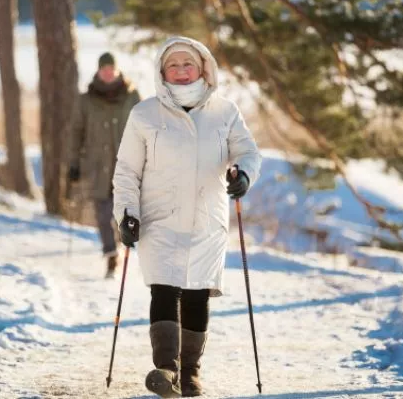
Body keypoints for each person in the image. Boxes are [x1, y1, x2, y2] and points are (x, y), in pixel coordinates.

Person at [112, 37, 261, 397]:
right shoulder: (144, 114)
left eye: (187, 64)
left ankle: (190, 374)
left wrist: (242, 175)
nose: (180, 71)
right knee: (163, 288)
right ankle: (166, 369)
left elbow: (247, 151)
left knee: (197, 294)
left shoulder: (225, 112)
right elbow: (127, 170)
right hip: (158, 218)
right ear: (162, 73)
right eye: (173, 65)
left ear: (202, 68)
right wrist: (126, 213)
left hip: (207, 218)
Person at [67, 52, 141, 278]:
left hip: (127, 164)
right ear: (98, 71)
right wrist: (74, 164)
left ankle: (124, 242)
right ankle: (111, 255)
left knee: (124, 209)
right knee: (102, 214)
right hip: (96, 165)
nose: (108, 72)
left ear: (117, 70)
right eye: (104, 69)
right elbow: (76, 133)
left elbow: (147, 129)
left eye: (111, 68)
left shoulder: (132, 96)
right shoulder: (86, 99)